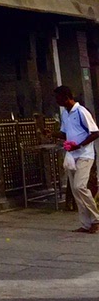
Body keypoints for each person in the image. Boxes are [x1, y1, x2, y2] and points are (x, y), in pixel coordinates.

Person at [55, 85, 99, 233]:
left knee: (80, 186)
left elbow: (95, 132)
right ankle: (87, 224)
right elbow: (65, 133)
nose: (57, 101)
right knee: (75, 190)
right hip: (72, 156)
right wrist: (52, 133)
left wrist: (79, 145)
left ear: (66, 97)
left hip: (85, 154)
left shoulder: (81, 111)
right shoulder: (65, 114)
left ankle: (96, 218)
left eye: (58, 97)